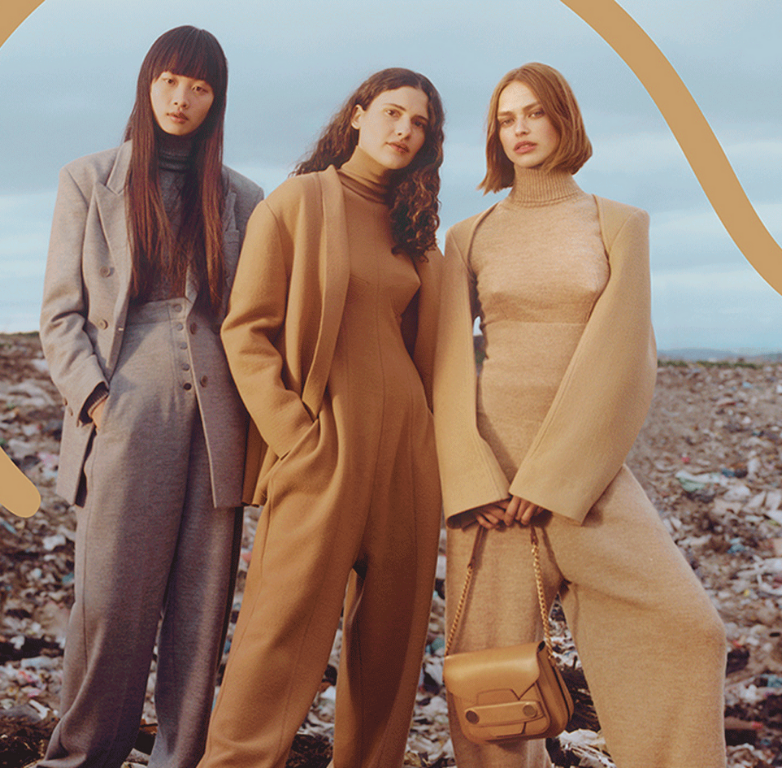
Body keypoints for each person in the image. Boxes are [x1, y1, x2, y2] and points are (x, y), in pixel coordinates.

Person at [432, 62, 728, 767]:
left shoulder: (619, 224)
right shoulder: (468, 236)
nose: (521, 129)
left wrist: (557, 477)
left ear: (564, 120)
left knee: (689, 628)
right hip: (493, 489)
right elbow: (446, 366)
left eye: (534, 113)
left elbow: (627, 358)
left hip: (585, 482)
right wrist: (473, 484)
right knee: (491, 682)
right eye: (506, 119)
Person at [197, 68, 445, 768]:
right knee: (278, 638)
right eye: (393, 113)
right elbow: (245, 332)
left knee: (391, 657)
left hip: (407, 457)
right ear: (359, 115)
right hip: (322, 450)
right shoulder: (301, 203)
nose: (404, 130)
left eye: (420, 123)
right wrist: (295, 437)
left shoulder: (415, 226)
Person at [37, 25, 263, 768]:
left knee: (200, 615)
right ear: (148, 83)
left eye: (200, 88)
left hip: (218, 416)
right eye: (171, 80)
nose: (183, 98)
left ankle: (180, 760)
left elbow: (252, 316)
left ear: (216, 101)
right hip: (126, 405)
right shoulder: (88, 179)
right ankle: (81, 756)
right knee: (109, 604)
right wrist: (97, 402)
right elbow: (61, 313)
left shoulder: (240, 198)